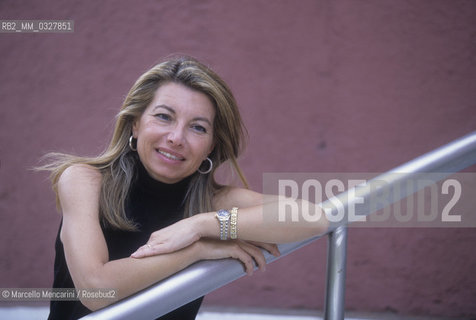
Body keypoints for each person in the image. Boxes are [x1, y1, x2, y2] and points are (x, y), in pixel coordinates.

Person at [40, 56, 328, 320]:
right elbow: (95, 289)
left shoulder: (213, 203)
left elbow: (314, 219)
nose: (176, 138)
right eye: (164, 117)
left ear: (210, 147)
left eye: (198, 127)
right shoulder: (85, 180)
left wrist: (202, 225)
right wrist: (197, 250)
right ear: (135, 123)